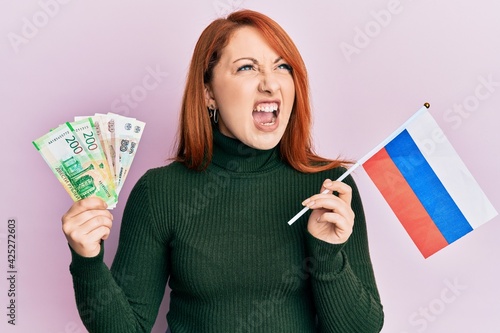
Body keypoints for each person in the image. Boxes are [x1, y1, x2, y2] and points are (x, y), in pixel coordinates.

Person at [62, 9, 384, 333]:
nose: (270, 83)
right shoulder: (158, 193)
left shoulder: (328, 189)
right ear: (209, 93)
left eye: (282, 66)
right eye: (247, 67)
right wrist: (86, 261)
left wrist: (327, 254)